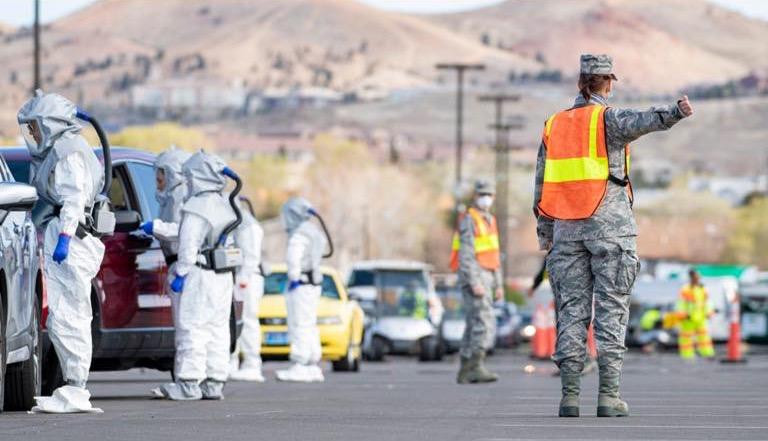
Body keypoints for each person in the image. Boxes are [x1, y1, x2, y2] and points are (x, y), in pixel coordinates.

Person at [532, 54, 693, 417]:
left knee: (570, 313)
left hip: (565, 231)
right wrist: (677, 111)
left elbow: (540, 185)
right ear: (608, 83)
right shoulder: (608, 120)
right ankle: (608, 397)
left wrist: (546, 234)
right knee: (612, 311)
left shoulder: (553, 125)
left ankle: (569, 398)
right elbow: (645, 120)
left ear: (579, 83)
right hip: (610, 230)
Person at [18, 90, 106, 413]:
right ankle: (71, 386)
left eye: (36, 127)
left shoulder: (68, 152)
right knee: (63, 313)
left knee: (72, 313)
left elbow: (72, 198)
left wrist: (66, 237)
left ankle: (76, 387)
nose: (34, 135)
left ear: (52, 123)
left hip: (73, 237)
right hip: (65, 234)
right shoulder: (60, 150)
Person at [153, 150, 243, 400]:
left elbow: (188, 243)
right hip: (222, 277)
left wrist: (180, 273)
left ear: (199, 177)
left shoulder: (197, 207)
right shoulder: (225, 204)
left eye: (190, 177)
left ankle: (188, 383)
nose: (188, 182)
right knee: (217, 329)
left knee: (191, 327)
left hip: (198, 275)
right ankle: (214, 382)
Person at [451, 180, 504, 384]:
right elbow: (466, 255)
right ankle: (476, 365)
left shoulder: (490, 220)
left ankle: (465, 368)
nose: (486, 198)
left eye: (489, 194)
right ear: (475, 197)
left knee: (474, 322)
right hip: (476, 277)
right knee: (482, 321)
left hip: (488, 277)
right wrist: (474, 281)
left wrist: (498, 284)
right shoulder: (469, 219)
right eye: (483, 194)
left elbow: (494, 255)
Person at [276, 197, 329, 383]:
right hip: (314, 284)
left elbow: (293, 259)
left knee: (298, 324)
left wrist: (294, 278)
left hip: (301, 285)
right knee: (310, 324)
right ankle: (312, 364)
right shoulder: (315, 232)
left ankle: (299, 364)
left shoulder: (299, 234)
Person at [229, 202, 266, 382]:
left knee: (248, 321)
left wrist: (242, 279)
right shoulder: (238, 223)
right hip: (241, 277)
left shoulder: (247, 226)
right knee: (235, 322)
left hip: (248, 278)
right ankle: (232, 361)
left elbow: (251, 256)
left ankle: (252, 364)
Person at [139, 146, 191, 265]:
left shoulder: (183, 195)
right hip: (171, 260)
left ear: (172, 176)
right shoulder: (171, 196)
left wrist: (155, 227)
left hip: (182, 261)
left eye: (160, 181)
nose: (157, 186)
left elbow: (186, 230)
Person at [675, 269, 715, 360]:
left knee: (704, 337)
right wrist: (682, 314)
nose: (698, 278)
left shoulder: (703, 289)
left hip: (701, 317)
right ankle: (687, 355)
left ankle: (707, 353)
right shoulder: (685, 289)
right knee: (686, 338)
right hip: (688, 318)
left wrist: (709, 312)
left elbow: (707, 302)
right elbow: (681, 303)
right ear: (691, 277)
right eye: (696, 276)